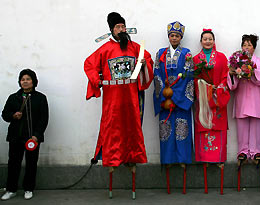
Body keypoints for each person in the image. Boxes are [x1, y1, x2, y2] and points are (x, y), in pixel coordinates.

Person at [83, 12, 153, 199]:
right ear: (111, 30)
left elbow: (148, 62)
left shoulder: (135, 47)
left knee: (131, 127)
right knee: (112, 128)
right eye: (117, 27)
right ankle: (113, 159)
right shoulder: (104, 49)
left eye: (123, 26)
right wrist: (96, 79)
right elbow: (89, 64)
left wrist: (145, 65)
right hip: (112, 99)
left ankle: (131, 158)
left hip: (131, 98)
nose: (121, 30)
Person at [153, 21, 194, 194]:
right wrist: (164, 95)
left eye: (177, 35)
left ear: (181, 37)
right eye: (172, 35)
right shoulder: (160, 53)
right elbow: (157, 74)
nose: (174, 38)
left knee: (181, 130)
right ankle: (168, 160)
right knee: (166, 131)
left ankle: (183, 160)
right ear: (168, 36)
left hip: (180, 100)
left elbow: (189, 76)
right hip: (165, 100)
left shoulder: (187, 54)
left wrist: (175, 96)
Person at [1, 69, 49, 201]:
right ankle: (11, 189)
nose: (25, 82)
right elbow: (4, 114)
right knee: (13, 163)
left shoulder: (40, 98)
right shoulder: (13, 97)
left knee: (31, 163)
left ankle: (29, 188)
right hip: (15, 137)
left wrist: (37, 135)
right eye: (23, 79)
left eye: (28, 79)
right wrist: (13, 115)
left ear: (33, 81)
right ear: (19, 82)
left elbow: (43, 119)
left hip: (32, 138)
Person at [193, 29, 230, 194]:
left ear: (214, 41)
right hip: (203, 99)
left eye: (210, 39)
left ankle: (219, 158)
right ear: (201, 41)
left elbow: (225, 76)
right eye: (205, 39)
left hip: (217, 96)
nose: (207, 41)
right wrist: (204, 88)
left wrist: (217, 88)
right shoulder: (195, 59)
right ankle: (205, 159)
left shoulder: (222, 57)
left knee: (218, 125)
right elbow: (194, 79)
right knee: (204, 125)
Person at [227, 34, 260, 163]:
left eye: (249, 45)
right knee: (241, 126)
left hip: (256, 97)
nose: (246, 47)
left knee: (256, 126)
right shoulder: (236, 62)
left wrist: (253, 72)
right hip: (242, 97)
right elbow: (232, 85)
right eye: (244, 45)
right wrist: (232, 73)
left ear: (254, 47)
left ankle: (256, 151)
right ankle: (243, 151)